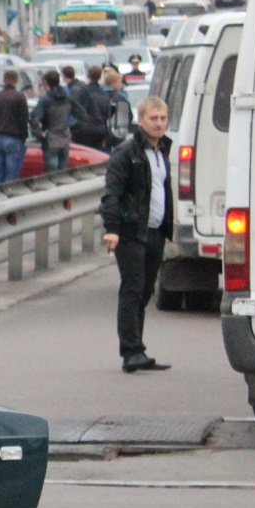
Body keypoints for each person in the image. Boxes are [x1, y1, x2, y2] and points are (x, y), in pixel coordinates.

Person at [102, 97, 175, 373]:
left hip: (154, 230)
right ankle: (130, 352)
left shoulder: (162, 150)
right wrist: (112, 230)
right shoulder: (127, 152)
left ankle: (138, 348)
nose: (159, 124)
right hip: (131, 231)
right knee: (132, 289)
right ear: (141, 120)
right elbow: (112, 194)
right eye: (154, 118)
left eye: (163, 118)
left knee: (145, 290)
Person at [0, 69, 29, 185]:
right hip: (13, 138)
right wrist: (24, 137)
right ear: (16, 81)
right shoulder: (19, 97)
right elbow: (23, 120)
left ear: (3, 81)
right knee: (11, 175)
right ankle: (10, 199)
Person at [30, 68, 74, 172]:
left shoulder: (46, 100)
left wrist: (39, 134)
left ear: (45, 82)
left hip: (51, 139)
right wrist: (70, 128)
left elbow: (34, 118)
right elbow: (82, 115)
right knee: (63, 173)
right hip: (64, 138)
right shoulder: (67, 97)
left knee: (52, 174)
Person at [70, 64, 110, 150]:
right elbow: (107, 113)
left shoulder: (83, 92)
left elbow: (76, 109)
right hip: (100, 130)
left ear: (89, 76)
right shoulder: (104, 94)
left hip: (84, 130)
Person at [100, 68, 133, 146]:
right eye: (120, 82)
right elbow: (128, 118)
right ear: (113, 83)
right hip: (116, 138)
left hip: (99, 136)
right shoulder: (119, 99)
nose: (121, 85)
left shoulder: (97, 96)